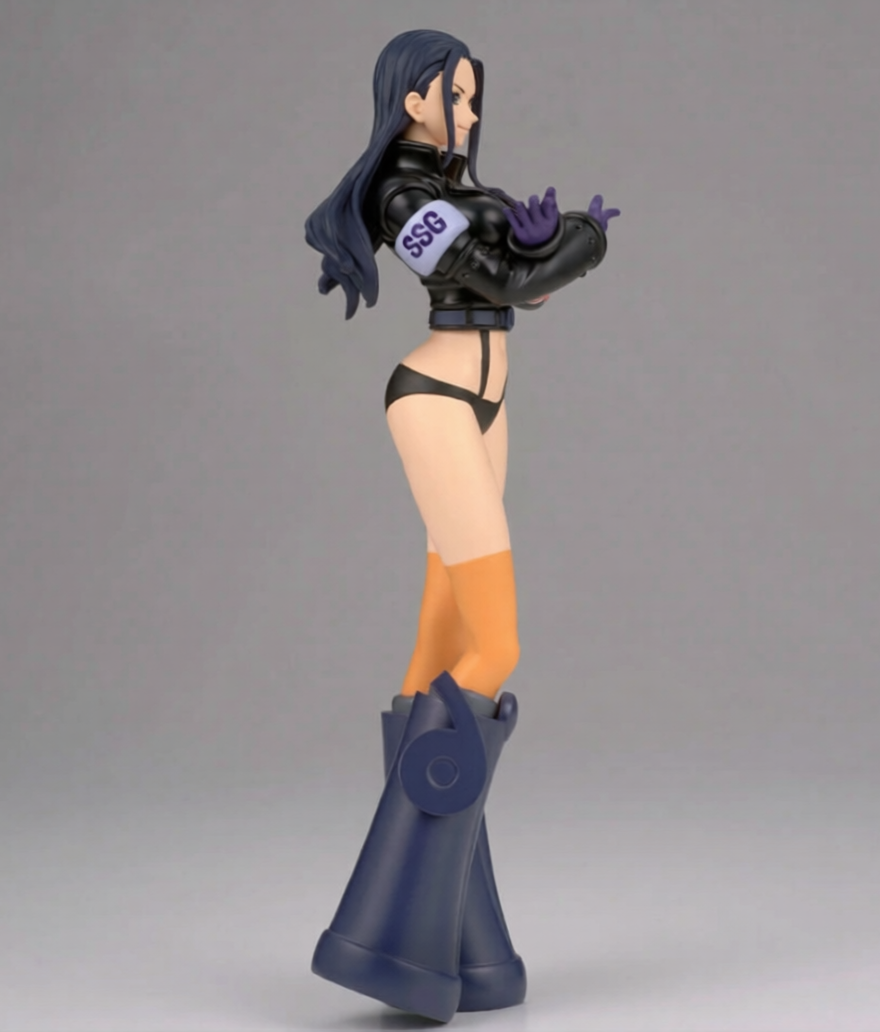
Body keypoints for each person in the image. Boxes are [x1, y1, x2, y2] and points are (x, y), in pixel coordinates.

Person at [305, 29, 618, 1022]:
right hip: (437, 401)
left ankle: (460, 942)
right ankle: (380, 924)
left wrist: (541, 243)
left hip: (486, 404)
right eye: (458, 95)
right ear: (413, 98)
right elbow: (508, 282)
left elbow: (516, 281)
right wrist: (578, 240)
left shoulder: (446, 185)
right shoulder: (403, 197)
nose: (471, 113)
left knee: (437, 649)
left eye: (477, 97)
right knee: (496, 646)